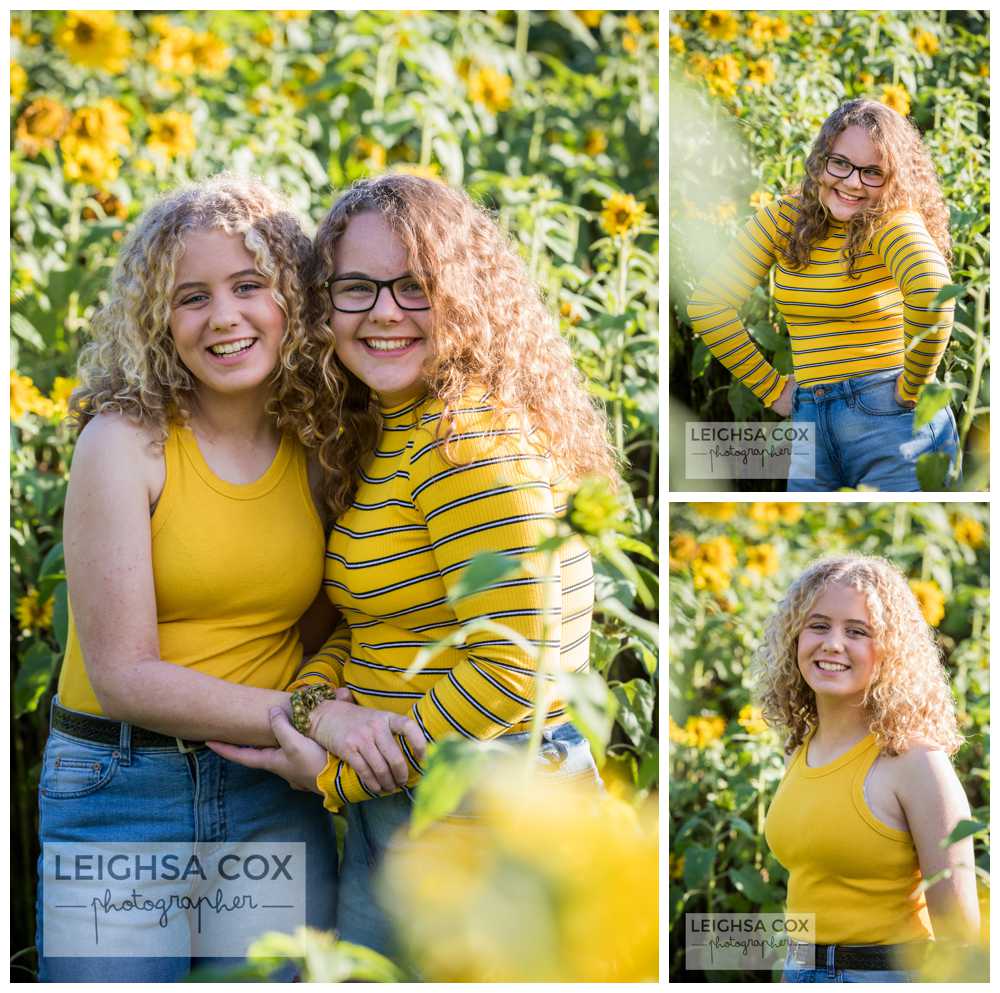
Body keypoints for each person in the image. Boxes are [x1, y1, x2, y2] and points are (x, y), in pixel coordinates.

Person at [209, 173, 618, 957]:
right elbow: (375, 628)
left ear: (465, 295)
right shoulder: (398, 431)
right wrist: (312, 702)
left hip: (488, 812)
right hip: (420, 802)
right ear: (324, 309)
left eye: (414, 286)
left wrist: (339, 774)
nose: (384, 311)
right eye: (356, 289)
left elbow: (513, 670)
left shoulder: (468, 447)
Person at [38, 176, 424, 982]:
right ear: (158, 320)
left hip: (268, 794)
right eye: (191, 297)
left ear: (291, 295)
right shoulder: (124, 442)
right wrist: (321, 719)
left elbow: (327, 621)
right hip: (121, 791)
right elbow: (122, 675)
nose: (224, 317)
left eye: (250, 285)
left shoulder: (319, 444)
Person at [687, 99, 959, 491]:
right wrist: (773, 389)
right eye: (841, 163)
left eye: (872, 173)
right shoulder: (785, 218)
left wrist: (915, 384)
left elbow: (933, 290)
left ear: (894, 180)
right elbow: (709, 304)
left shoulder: (890, 221)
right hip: (810, 420)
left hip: (893, 418)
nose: (852, 182)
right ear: (821, 160)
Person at [754, 555, 980, 982]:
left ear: (891, 651)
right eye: (818, 625)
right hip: (798, 968)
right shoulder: (800, 748)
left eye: (857, 631)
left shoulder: (916, 763)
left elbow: (960, 937)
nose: (833, 643)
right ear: (794, 639)